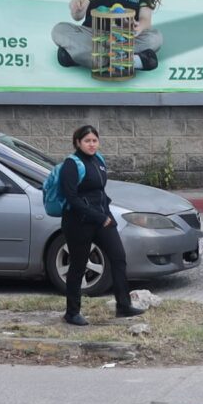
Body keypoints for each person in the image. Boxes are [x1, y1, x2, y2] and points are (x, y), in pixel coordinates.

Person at [54, 123, 138, 327]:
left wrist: (106, 211)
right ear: (77, 142)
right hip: (78, 222)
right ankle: (72, 313)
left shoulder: (98, 161)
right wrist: (98, 216)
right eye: (87, 141)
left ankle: (123, 305)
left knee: (119, 257)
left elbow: (98, 191)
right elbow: (72, 198)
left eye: (94, 140)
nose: (92, 145)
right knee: (78, 266)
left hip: (102, 218)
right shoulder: (71, 165)